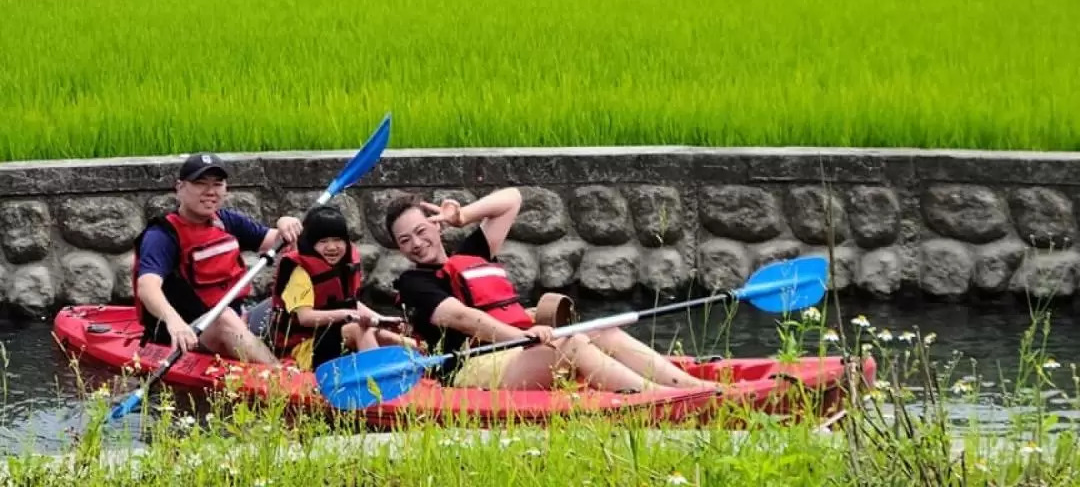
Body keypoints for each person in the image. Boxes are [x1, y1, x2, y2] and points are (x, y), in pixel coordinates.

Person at [388, 187, 721, 394]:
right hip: (472, 367)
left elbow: (511, 200)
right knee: (572, 341)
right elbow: (462, 317)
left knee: (601, 329)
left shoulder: (472, 254)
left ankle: (691, 386)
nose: (417, 244)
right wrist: (527, 334)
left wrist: (463, 216)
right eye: (405, 240)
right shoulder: (415, 283)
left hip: (519, 348)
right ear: (400, 248)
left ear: (435, 225)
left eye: (421, 231)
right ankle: (658, 398)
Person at [133, 152, 303, 364]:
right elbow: (147, 287)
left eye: (217, 184)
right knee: (224, 317)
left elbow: (276, 241)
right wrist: (174, 321)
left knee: (292, 302)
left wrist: (285, 223)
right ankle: (281, 378)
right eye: (200, 183)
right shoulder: (162, 235)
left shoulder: (226, 221)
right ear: (180, 188)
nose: (210, 191)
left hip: (239, 318)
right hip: (188, 332)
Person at [266, 204, 416, 371]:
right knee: (360, 329)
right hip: (302, 350)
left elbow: (350, 302)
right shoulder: (299, 272)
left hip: (332, 335)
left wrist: (382, 319)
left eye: (338, 240)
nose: (332, 247)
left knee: (397, 337)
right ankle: (378, 379)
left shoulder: (343, 265)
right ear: (310, 244)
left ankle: (417, 360)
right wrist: (349, 315)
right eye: (323, 242)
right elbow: (305, 317)